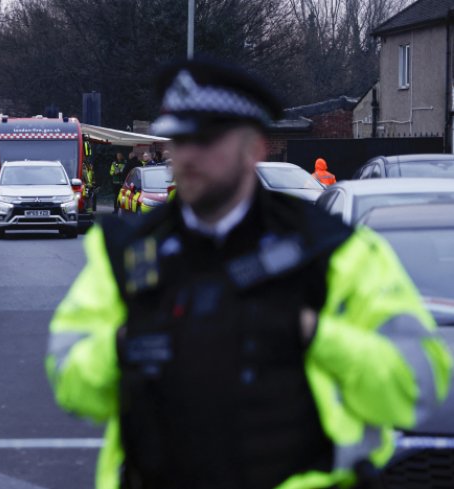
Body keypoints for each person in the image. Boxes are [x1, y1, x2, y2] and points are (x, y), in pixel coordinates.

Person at [46, 58, 451, 489]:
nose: (187, 156)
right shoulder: (127, 249)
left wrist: (313, 334)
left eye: (207, 139)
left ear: (254, 147)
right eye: (179, 139)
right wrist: (127, 343)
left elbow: (416, 388)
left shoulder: (332, 250)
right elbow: (71, 383)